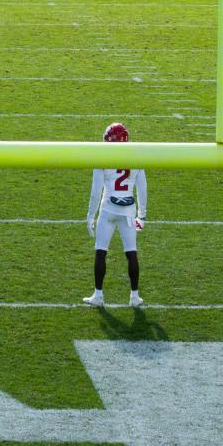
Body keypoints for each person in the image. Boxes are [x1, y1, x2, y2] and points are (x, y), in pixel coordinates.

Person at [83, 121, 144, 307]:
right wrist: (142, 215)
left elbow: (96, 192)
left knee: (101, 251)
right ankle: (134, 297)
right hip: (128, 211)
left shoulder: (102, 158)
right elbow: (142, 189)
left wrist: (90, 216)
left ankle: (98, 295)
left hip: (108, 209)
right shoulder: (137, 158)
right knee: (131, 253)